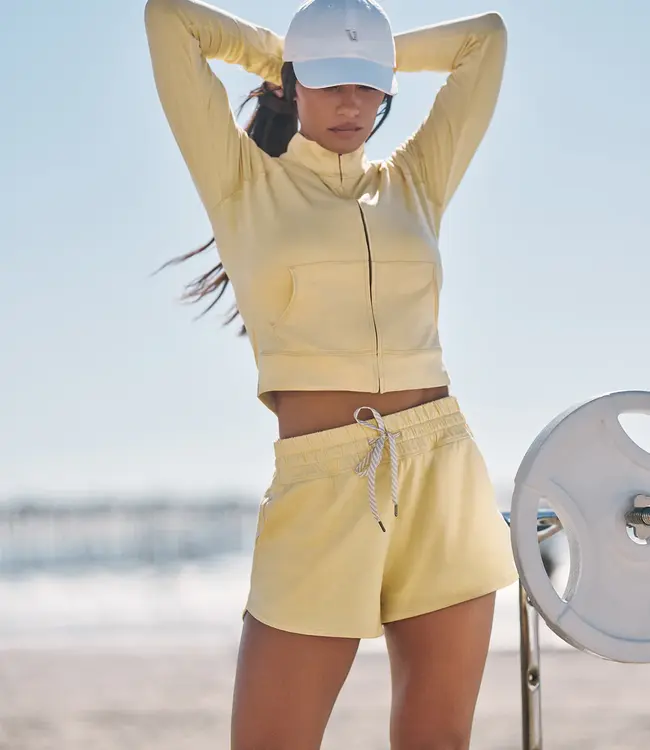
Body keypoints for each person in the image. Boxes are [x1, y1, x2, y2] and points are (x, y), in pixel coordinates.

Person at [144, 0, 518, 747]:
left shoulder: (414, 181)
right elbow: (168, 21)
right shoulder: (243, 186)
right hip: (323, 484)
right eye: (330, 81)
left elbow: (487, 40)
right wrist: (284, 56)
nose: (351, 103)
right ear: (294, 85)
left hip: (442, 470)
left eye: (367, 84)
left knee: (439, 742)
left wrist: (372, 52)